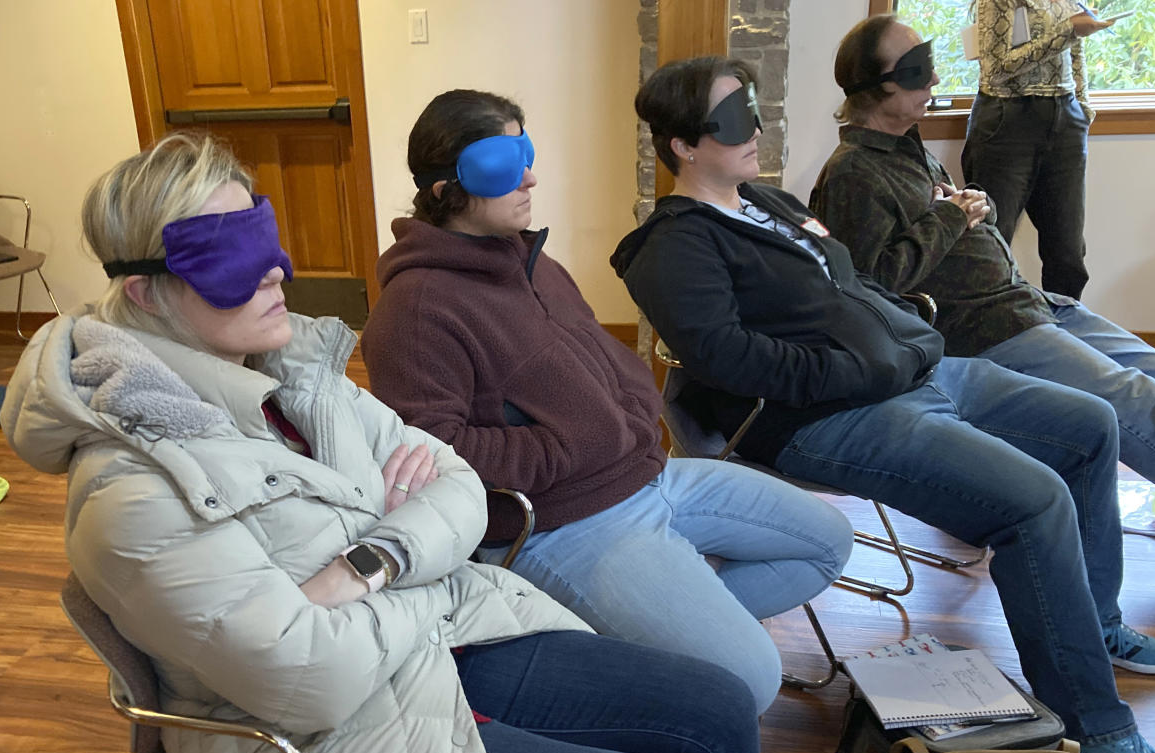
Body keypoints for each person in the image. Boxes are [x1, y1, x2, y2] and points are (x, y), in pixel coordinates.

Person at [0, 133, 765, 753]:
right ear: (145, 290)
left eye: (263, 236)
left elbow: (459, 481)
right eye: (230, 257)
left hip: (446, 639)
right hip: (334, 741)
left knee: (722, 705)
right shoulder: (131, 490)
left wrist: (369, 564)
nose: (274, 269)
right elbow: (312, 679)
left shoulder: (299, 373)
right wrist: (417, 550)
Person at [611, 55, 1155, 753]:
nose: (756, 128)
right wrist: (857, 370)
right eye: (733, 120)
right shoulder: (674, 245)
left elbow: (851, 287)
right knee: (1033, 500)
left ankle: (1095, 621)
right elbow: (729, 361)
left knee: (1088, 422)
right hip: (827, 418)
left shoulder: (769, 203)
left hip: (912, 373)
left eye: (753, 109)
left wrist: (906, 337)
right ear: (684, 144)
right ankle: (1102, 735)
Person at [359, 89, 853, 716]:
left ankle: (657, 631)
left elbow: (602, 359)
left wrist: (625, 408)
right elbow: (432, 450)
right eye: (504, 163)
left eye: (527, 152)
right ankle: (658, 644)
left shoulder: (535, 263)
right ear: (444, 186)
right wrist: (568, 444)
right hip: (564, 522)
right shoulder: (416, 308)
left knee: (827, 541)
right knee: (749, 683)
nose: (531, 175)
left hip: (647, 476)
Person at [813, 13, 1155, 525]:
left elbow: (935, 230)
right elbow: (871, 285)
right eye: (918, 71)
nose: (936, 80)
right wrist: (949, 216)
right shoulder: (852, 172)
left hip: (1029, 305)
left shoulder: (907, 150)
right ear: (875, 88)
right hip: (984, 330)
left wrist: (967, 208)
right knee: (1141, 401)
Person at [960, 0, 1113, 299]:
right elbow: (997, 67)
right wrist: (1068, 31)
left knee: (1067, 253)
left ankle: (1066, 335)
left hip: (1065, 118)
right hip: (1007, 119)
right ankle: (988, 334)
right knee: (991, 245)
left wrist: (1082, 107)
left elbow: (1076, 50)